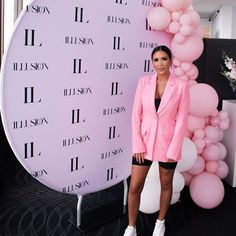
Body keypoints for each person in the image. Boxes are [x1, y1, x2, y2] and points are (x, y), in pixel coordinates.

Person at [123, 45, 190, 236]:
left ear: (170, 61)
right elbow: (136, 116)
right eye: (156, 59)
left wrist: (174, 149)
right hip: (143, 144)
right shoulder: (144, 82)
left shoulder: (181, 85)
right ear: (152, 62)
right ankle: (131, 227)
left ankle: (160, 223)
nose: (160, 63)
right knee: (135, 186)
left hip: (168, 144)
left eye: (164, 59)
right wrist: (137, 144)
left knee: (166, 184)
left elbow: (182, 119)